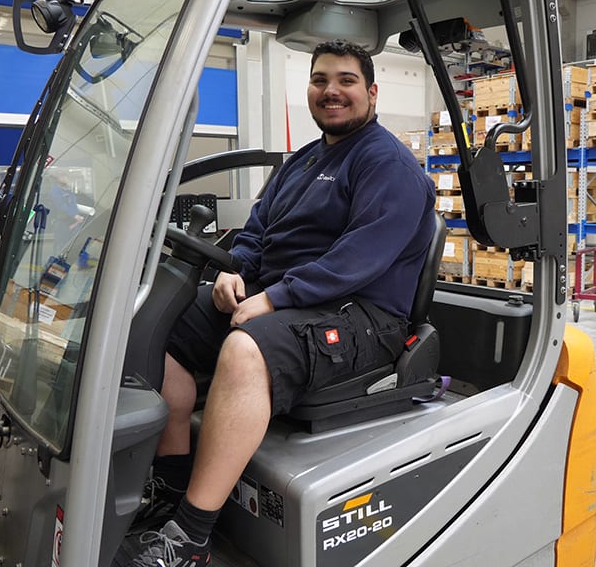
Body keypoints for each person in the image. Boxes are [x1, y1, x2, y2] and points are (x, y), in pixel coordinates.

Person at [124, 40, 436, 566]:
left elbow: (356, 260)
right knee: (158, 323)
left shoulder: (389, 165)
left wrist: (275, 298)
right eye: (320, 80)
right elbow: (257, 229)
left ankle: (190, 538)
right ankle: (173, 494)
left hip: (363, 315)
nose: (331, 91)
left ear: (372, 92)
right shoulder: (302, 162)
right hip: (291, 301)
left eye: (346, 81)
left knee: (246, 350)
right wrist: (234, 272)